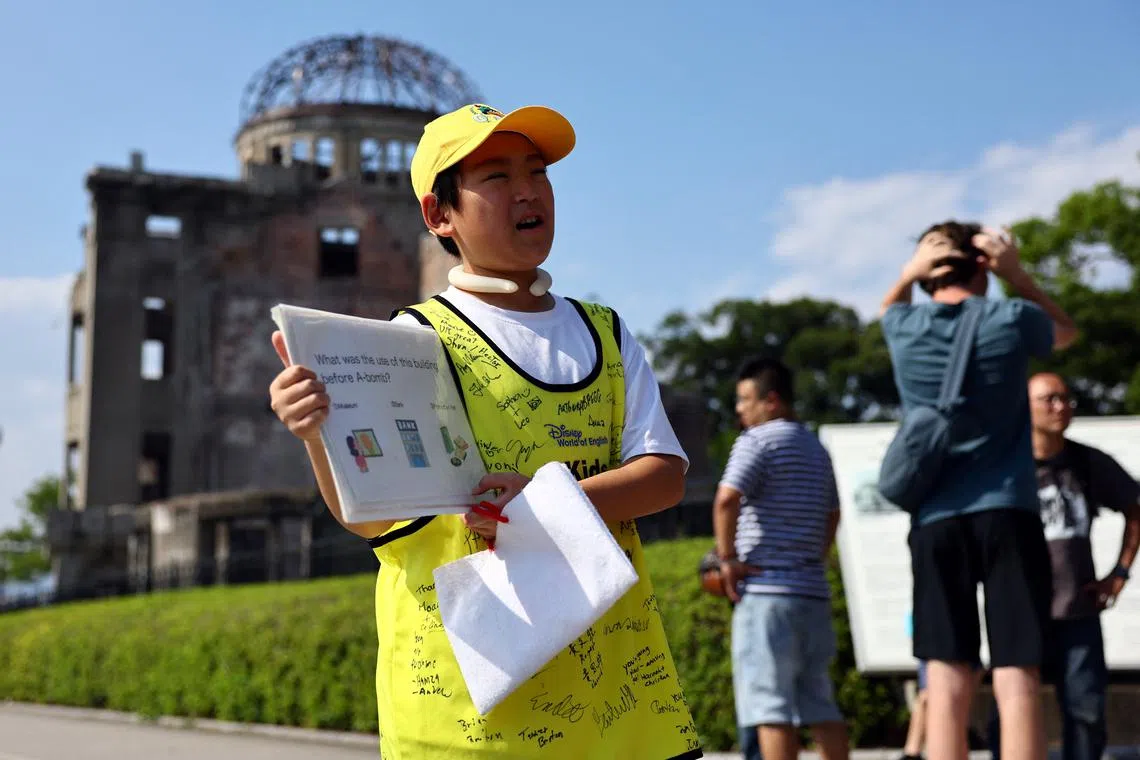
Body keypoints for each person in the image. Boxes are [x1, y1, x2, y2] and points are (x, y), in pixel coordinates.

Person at [268, 102, 704, 759]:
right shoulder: (412, 340)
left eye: (538, 171)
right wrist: (314, 433)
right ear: (438, 215)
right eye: (496, 177)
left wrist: (546, 503)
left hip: (615, 700)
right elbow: (372, 519)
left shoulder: (605, 332)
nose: (528, 190)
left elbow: (664, 475)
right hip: (468, 712)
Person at [878, 220, 1079, 760]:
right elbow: (1065, 332)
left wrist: (907, 272)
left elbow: (885, 310)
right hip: (1009, 509)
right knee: (1017, 677)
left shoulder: (904, 326)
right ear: (982, 267)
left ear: (926, 276)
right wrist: (1017, 275)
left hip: (935, 519)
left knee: (943, 679)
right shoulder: (1010, 317)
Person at [988, 372, 1140, 760]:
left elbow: (1135, 509)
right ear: (1026, 408)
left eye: (1066, 399)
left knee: (1086, 711)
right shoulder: (1005, 464)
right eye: (1049, 399)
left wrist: (1119, 574)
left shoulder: (1086, 461)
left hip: (1078, 610)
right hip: (1021, 611)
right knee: (1008, 711)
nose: (1061, 407)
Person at [713, 357, 849, 760]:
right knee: (820, 703)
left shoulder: (756, 441)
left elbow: (726, 499)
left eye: (744, 400)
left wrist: (727, 559)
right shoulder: (815, 447)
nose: (739, 410)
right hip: (812, 591)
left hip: (767, 592)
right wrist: (813, 555)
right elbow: (833, 513)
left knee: (770, 708)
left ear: (771, 400)